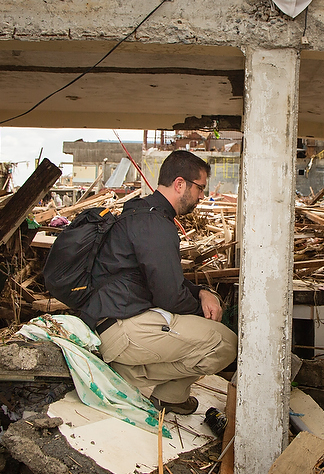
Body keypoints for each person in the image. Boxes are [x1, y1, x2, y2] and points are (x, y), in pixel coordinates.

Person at [84, 150, 237, 415]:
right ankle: (137, 379)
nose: (202, 196)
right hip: (121, 329)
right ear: (180, 184)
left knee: (200, 331)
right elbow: (170, 297)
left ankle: (159, 388)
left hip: (112, 322)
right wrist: (204, 313)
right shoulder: (155, 224)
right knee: (223, 342)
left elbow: (164, 277)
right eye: (200, 187)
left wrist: (201, 291)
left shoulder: (143, 214)